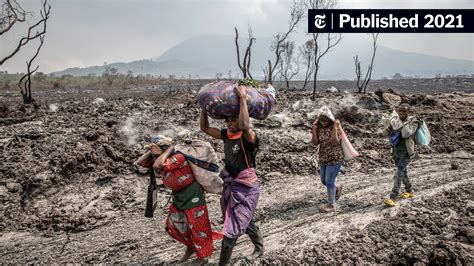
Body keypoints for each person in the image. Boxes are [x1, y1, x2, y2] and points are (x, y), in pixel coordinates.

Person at [200, 85, 264, 265]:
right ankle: (259, 247)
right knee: (245, 219)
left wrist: (243, 98)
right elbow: (205, 128)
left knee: (231, 230)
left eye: (233, 119)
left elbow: (245, 126)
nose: (229, 122)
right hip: (231, 185)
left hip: (247, 188)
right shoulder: (227, 135)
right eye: (227, 119)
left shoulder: (249, 137)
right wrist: (203, 108)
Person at [150, 135, 214, 262]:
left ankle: (204, 256)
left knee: (198, 226)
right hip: (179, 196)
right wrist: (152, 149)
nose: (153, 155)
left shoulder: (177, 157)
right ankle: (191, 247)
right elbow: (140, 162)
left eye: (155, 149)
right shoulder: (161, 158)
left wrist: (170, 148)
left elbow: (158, 166)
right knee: (174, 225)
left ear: (164, 149)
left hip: (192, 195)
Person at [382, 103, 419, 207]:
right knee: (403, 172)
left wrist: (403, 122)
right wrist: (390, 125)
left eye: (404, 112)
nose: (402, 113)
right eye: (400, 111)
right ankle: (409, 191)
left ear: (409, 112)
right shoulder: (395, 121)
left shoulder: (414, 122)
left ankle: (393, 197)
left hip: (406, 152)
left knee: (398, 173)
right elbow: (383, 134)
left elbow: (406, 134)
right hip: (395, 151)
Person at [311, 106, 344, 213]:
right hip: (323, 157)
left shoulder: (336, 127)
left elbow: (335, 142)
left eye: (326, 120)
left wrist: (334, 127)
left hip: (335, 157)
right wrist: (314, 130)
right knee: (324, 181)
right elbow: (315, 142)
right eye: (322, 120)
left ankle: (331, 205)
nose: (324, 122)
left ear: (330, 119)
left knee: (329, 181)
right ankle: (336, 188)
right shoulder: (319, 128)